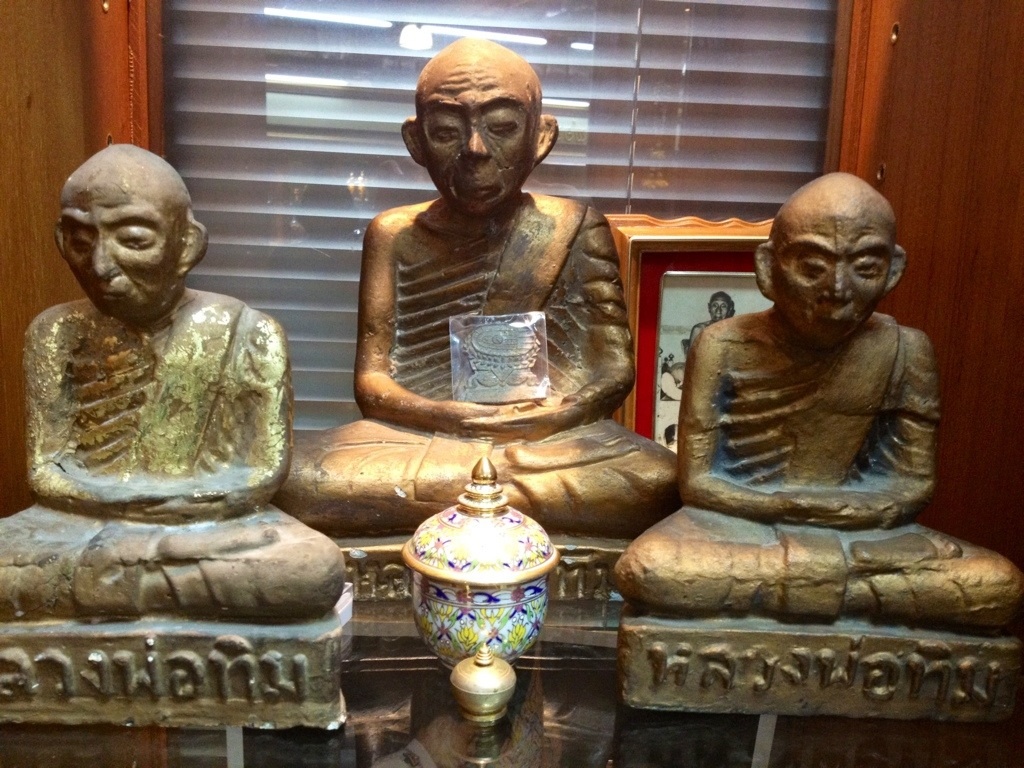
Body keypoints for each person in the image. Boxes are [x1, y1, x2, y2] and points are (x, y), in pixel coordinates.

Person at [276, 39, 678, 539]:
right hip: (421, 439)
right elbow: (374, 382)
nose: (475, 151)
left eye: (503, 127)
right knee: (300, 479)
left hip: (546, 441)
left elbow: (612, 370)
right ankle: (488, 496)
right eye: (447, 132)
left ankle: (467, 497)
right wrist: (451, 416)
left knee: (656, 479)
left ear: (541, 137)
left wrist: (547, 417)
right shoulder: (394, 234)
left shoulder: (574, 226)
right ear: (416, 141)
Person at [615, 173, 1023, 630]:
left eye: (865, 269)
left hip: (862, 536)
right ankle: (856, 593)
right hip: (745, 528)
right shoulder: (722, 345)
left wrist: (836, 517)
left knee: (996, 583)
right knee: (651, 568)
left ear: (893, 270)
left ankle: (808, 592)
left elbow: (912, 485)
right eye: (812, 268)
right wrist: (788, 508)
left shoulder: (906, 351)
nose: (838, 291)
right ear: (768, 268)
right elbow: (698, 483)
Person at [0, 145, 345, 622]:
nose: (99, 265)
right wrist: (129, 505)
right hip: (80, 527)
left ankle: (108, 590)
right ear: (62, 241)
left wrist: (171, 510)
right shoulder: (54, 332)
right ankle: (143, 590)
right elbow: (45, 472)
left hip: (205, 529)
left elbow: (262, 474)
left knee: (308, 568)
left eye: (133, 240)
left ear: (187, 246)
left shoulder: (249, 332)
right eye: (80, 240)